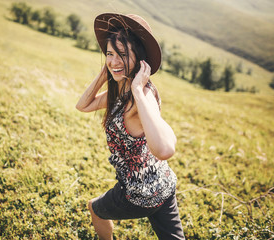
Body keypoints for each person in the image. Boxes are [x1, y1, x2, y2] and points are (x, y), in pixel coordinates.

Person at [76, 13, 185, 240]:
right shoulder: (120, 89)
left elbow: (165, 150)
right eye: (109, 54)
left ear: (140, 59)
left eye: (122, 55)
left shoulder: (143, 94)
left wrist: (137, 89)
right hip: (164, 185)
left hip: (137, 194)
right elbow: (83, 105)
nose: (114, 60)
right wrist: (106, 72)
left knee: (95, 208)